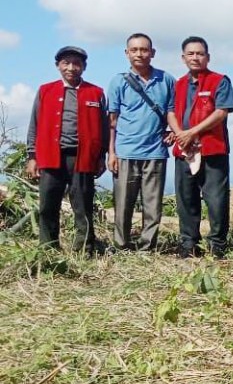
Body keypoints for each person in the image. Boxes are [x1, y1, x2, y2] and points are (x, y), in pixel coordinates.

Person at [26, 46, 108, 254]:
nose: (71, 67)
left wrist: (101, 157)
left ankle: (85, 248)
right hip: (51, 156)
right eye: (66, 63)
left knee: (82, 204)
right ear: (58, 66)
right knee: (48, 205)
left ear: (84, 67)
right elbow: (34, 124)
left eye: (76, 63)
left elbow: (104, 128)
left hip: (82, 157)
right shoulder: (46, 90)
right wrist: (32, 156)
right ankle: (48, 248)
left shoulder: (96, 92)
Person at [167, 36, 233, 258]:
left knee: (216, 200)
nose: (195, 57)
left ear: (208, 56)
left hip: (211, 150)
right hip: (184, 151)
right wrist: (180, 134)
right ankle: (189, 244)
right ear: (183, 57)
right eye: (191, 53)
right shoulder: (177, 84)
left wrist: (192, 132)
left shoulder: (219, 81)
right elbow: (169, 111)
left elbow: (221, 111)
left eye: (200, 53)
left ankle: (217, 245)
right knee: (186, 198)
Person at [107, 33, 176, 252]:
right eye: (134, 50)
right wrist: (112, 152)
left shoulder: (166, 80)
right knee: (123, 205)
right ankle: (122, 246)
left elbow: (172, 112)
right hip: (126, 151)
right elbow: (112, 120)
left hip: (156, 151)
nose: (139, 54)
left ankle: (147, 247)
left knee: (153, 206)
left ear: (152, 53)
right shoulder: (119, 81)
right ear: (127, 53)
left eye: (144, 50)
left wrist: (172, 132)